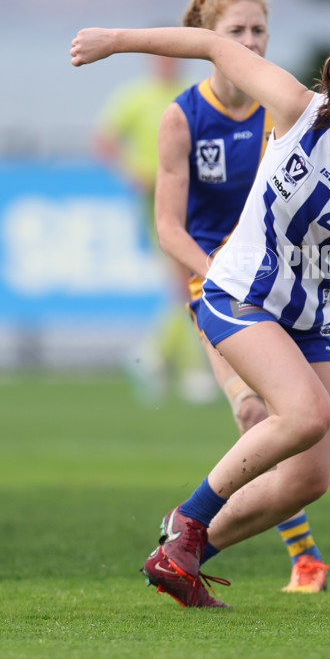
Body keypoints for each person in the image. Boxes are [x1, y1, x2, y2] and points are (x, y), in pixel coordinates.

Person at [70, 21, 330, 611]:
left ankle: (181, 559)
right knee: (307, 413)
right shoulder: (300, 110)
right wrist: (116, 40)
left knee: (306, 481)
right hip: (237, 294)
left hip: (311, 318)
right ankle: (185, 522)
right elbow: (216, 46)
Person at [93, 50, 216, 404]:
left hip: (195, 198)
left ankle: (162, 358)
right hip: (157, 201)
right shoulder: (135, 96)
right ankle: (177, 362)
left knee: (190, 284)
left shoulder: (192, 94)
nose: (167, 63)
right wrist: (133, 171)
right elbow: (104, 141)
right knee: (187, 283)